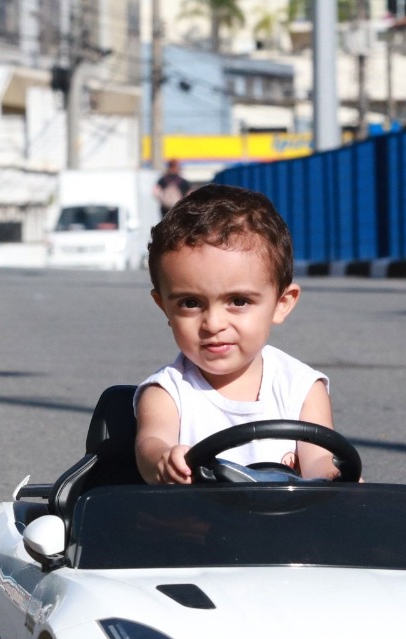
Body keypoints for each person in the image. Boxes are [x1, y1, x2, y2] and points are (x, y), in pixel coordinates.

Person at [134, 184, 337, 484]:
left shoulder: (301, 388)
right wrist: (164, 460)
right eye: (191, 303)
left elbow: (319, 458)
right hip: (194, 526)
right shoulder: (167, 392)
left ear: (281, 304)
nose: (213, 324)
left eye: (238, 301)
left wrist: (335, 479)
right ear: (164, 306)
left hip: (286, 525)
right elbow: (151, 444)